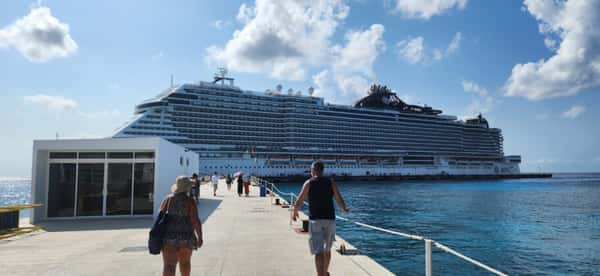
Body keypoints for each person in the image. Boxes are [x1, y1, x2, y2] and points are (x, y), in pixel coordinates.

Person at [293, 161, 349, 276]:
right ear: (322, 170)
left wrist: (295, 212)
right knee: (327, 250)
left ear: (313, 170)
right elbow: (339, 198)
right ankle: (325, 273)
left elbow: (299, 200)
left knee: (318, 252)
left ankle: (320, 275)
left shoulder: (309, 183)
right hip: (330, 219)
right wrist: (344, 209)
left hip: (316, 220)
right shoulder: (331, 182)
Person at [159, 176, 203, 276]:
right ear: (187, 187)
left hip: (169, 237)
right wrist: (200, 237)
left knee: (169, 265)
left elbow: (160, 218)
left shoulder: (168, 199)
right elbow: (195, 220)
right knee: (185, 263)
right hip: (186, 237)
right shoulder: (190, 201)